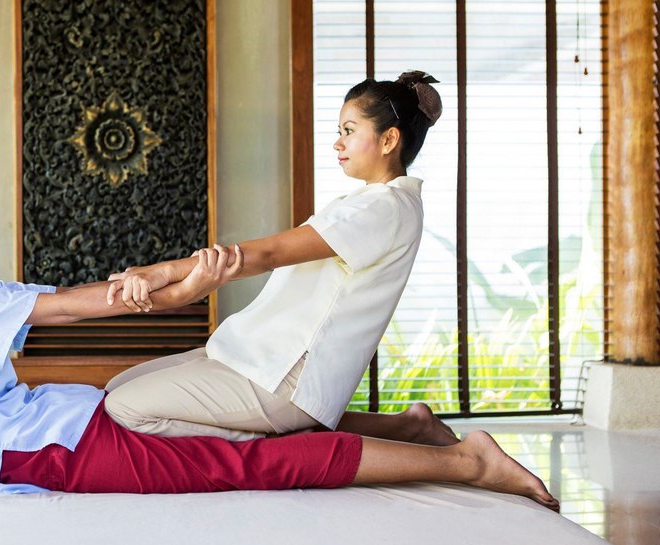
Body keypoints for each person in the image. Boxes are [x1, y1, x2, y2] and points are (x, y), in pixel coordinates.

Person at [0, 156, 559, 511]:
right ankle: (413, 428)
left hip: (55, 446)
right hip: (51, 435)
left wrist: (153, 289)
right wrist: (157, 288)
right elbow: (42, 301)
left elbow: (59, 308)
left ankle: (469, 466)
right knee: (240, 445)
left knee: (248, 463)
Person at [102, 71, 455, 447]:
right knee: (116, 388)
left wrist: (160, 272)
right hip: (259, 354)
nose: (338, 143)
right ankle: (405, 427)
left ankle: (283, 442)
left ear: (388, 140)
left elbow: (268, 254)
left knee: (125, 409)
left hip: (288, 378)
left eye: (349, 130)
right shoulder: (373, 203)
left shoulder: (384, 207)